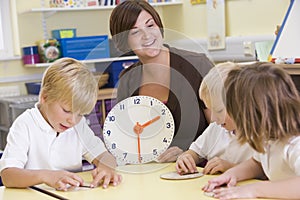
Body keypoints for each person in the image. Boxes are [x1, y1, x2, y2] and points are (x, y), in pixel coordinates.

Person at [109, 0, 214, 163]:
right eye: (135, 32)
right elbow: (126, 140)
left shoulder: (197, 65)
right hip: (152, 172)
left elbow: (221, 129)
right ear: (125, 42)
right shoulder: (127, 81)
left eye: (150, 25)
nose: (147, 36)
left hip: (201, 170)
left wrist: (191, 154)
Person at [0, 58, 122, 191]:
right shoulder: (25, 124)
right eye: (67, 111)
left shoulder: (78, 126)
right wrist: (46, 176)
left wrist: (107, 168)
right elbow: (8, 176)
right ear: (45, 97)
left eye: (80, 114)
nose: (73, 120)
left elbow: (104, 156)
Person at [202, 62, 300, 199]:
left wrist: (256, 189)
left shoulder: (295, 143)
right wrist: (231, 174)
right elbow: (257, 163)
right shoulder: (268, 138)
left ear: (257, 112)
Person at [176, 62, 254, 175]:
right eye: (210, 110)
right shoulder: (216, 129)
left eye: (219, 111)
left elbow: (262, 171)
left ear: (243, 105)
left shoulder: (260, 135)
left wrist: (231, 168)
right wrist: (186, 158)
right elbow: (195, 152)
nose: (213, 118)